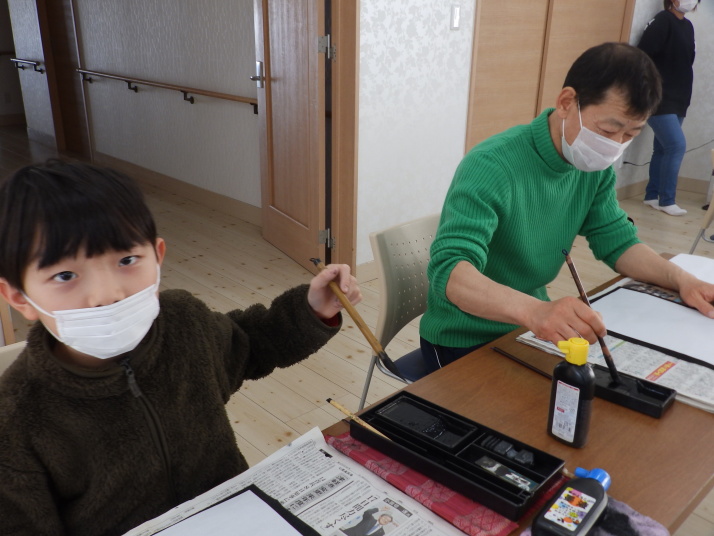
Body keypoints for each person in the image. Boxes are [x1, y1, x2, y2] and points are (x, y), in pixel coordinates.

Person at [0, 160, 362, 535]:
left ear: (157, 256)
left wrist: (311, 309)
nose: (107, 294)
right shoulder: (15, 418)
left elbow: (252, 345)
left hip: (236, 516)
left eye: (127, 260)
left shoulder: (184, 321)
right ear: (19, 297)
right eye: (64, 275)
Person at [419, 42, 714, 373]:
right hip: (464, 338)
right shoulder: (492, 165)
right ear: (566, 103)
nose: (615, 146)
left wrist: (681, 279)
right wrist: (535, 311)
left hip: (529, 328)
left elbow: (617, 240)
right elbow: (450, 272)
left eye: (631, 134)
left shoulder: (592, 166)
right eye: (608, 129)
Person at [638, 0, 698, 216]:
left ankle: (652, 196)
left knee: (663, 149)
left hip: (679, 97)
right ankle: (667, 200)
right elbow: (642, 56)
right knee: (676, 145)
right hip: (659, 97)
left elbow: (687, 60)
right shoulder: (663, 20)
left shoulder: (687, 26)